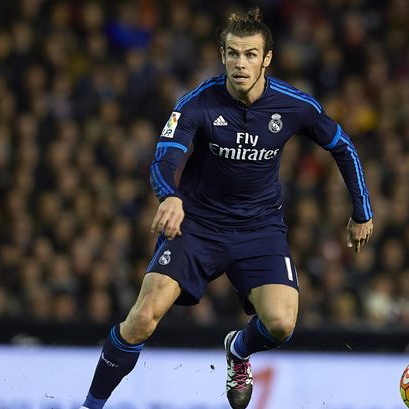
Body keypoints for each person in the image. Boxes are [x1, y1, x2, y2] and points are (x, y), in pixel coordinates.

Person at [80, 7, 373, 409]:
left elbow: (343, 146)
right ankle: (90, 405)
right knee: (143, 318)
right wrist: (169, 195)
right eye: (233, 53)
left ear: (267, 58)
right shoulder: (197, 103)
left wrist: (362, 212)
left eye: (250, 54)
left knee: (282, 324)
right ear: (222, 55)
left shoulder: (294, 104)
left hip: (260, 230)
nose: (241, 63)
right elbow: (164, 158)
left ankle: (238, 349)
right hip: (197, 226)